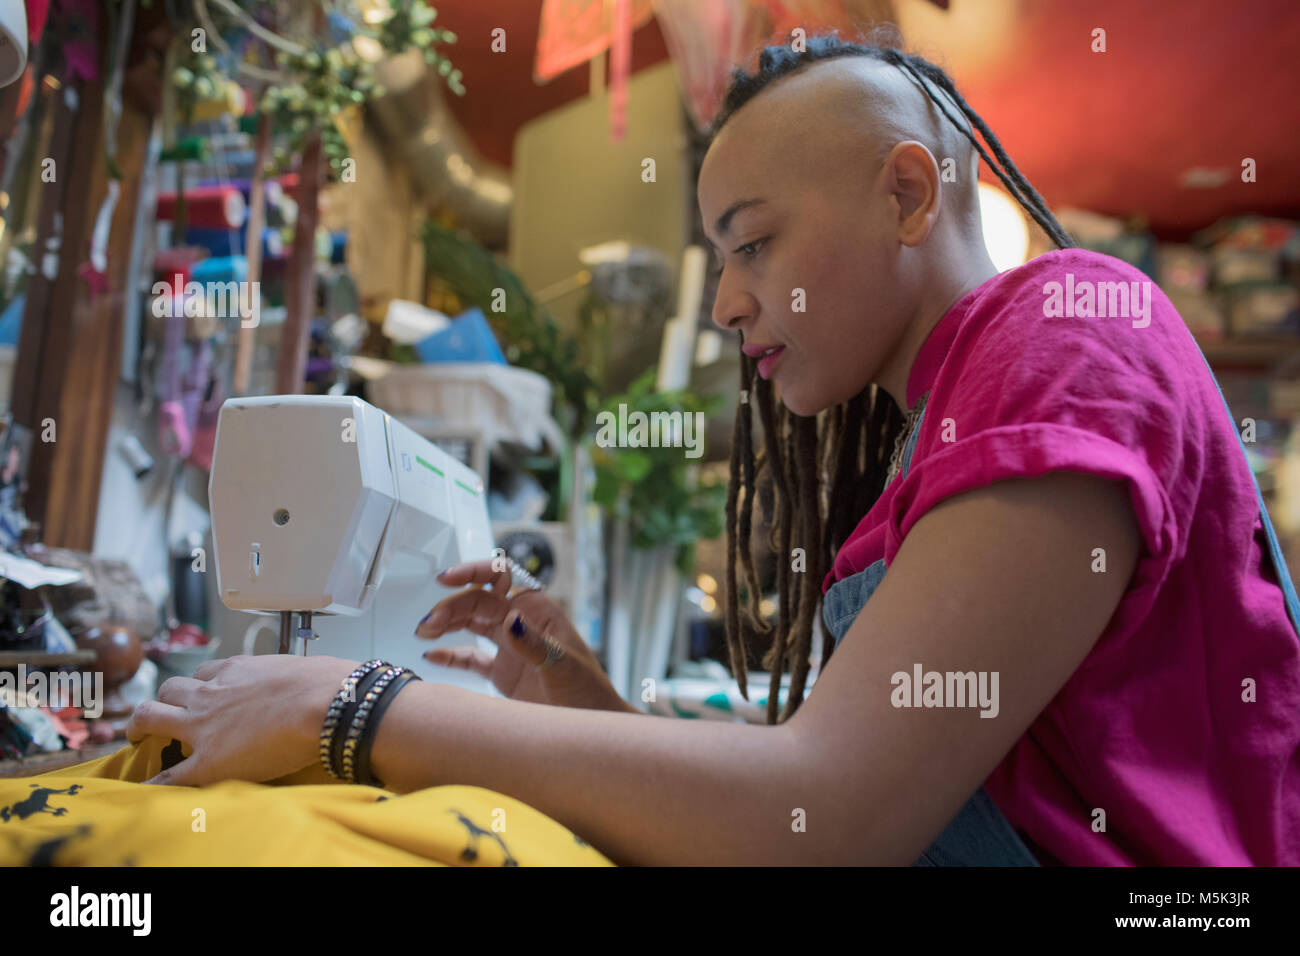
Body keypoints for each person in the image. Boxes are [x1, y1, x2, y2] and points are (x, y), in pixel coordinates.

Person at [125, 30, 1300, 866]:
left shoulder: (1064, 331)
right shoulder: (942, 424)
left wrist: (354, 705)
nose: (729, 305)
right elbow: (816, 795)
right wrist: (579, 699)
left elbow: (832, 816)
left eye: (752, 244)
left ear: (904, 192)